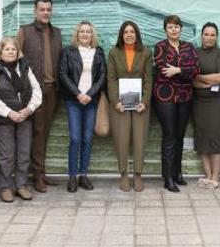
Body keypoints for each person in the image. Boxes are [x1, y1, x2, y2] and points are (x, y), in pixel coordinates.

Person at [16, 0, 63, 193]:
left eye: (48, 9)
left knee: (43, 132)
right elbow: (15, 57)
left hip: (53, 90)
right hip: (33, 91)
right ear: (35, 11)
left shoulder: (57, 33)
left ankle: (40, 172)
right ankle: (36, 175)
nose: (45, 12)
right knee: (36, 132)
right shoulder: (25, 31)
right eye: (42, 9)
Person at [0, 37, 42, 203]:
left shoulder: (24, 66)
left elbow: (36, 90)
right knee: (7, 155)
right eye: (7, 49)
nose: (10, 52)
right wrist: (10, 113)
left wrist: (28, 109)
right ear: (1, 51)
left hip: (24, 117)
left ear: (18, 52)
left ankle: (21, 185)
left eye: (13, 49)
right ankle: (5, 187)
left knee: (24, 153)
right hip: (4, 119)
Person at [59, 21, 107, 193]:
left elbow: (102, 76)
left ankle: (83, 175)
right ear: (77, 34)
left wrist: (90, 94)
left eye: (88, 32)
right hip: (74, 101)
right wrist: (78, 94)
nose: (85, 34)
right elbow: (63, 74)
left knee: (87, 139)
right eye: (82, 32)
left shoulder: (99, 52)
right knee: (75, 139)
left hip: (91, 101)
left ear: (92, 34)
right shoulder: (68, 52)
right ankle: (72, 176)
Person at [153, 14, 199, 193]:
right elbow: (163, 69)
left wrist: (178, 70)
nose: (174, 29)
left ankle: (178, 173)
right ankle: (168, 178)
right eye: (170, 27)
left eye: (176, 26)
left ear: (181, 29)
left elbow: (196, 69)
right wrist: (183, 71)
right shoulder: (160, 47)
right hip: (165, 96)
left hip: (185, 96)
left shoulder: (189, 47)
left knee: (180, 135)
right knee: (169, 135)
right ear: (165, 29)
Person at [107, 21, 153, 192]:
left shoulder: (146, 52)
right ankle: (124, 174)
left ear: (137, 34)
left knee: (139, 139)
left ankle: (138, 174)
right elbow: (111, 79)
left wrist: (145, 101)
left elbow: (149, 79)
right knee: (122, 138)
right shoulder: (113, 53)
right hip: (120, 104)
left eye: (132, 32)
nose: (129, 35)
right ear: (121, 34)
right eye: (125, 32)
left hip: (140, 103)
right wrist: (115, 101)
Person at [192, 23, 220, 189]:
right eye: (206, 34)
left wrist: (201, 78)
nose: (208, 37)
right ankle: (207, 175)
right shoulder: (195, 53)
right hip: (198, 103)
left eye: (212, 35)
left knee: (214, 138)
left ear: (216, 37)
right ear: (201, 36)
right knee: (202, 138)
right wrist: (205, 80)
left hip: (217, 103)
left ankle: (216, 177)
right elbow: (192, 78)